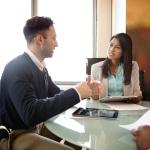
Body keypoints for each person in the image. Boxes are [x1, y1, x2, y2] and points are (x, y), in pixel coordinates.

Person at [0, 16, 99, 150]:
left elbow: (56, 93)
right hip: (16, 136)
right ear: (40, 39)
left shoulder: (41, 68)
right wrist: (76, 92)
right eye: (53, 38)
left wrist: (85, 92)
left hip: (35, 128)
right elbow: (30, 114)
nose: (56, 43)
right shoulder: (16, 67)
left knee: (81, 138)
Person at [91, 33, 142, 102]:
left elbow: (137, 91)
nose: (112, 50)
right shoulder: (96, 67)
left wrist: (137, 96)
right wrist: (93, 94)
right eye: (111, 45)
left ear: (125, 51)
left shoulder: (133, 66)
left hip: (126, 106)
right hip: (105, 107)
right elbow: (95, 97)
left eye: (117, 47)